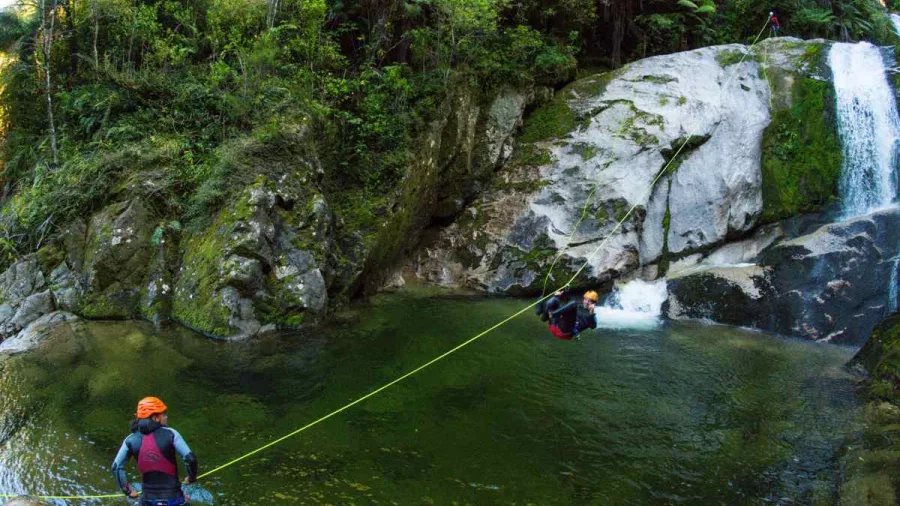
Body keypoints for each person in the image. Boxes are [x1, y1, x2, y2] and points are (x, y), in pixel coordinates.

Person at [112, 397, 198, 506]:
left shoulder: (130, 439)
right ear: (155, 417)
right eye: (164, 414)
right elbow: (191, 459)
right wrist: (191, 478)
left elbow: (116, 467)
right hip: (174, 500)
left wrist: (128, 491)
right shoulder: (171, 433)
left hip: (147, 501)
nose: (166, 417)